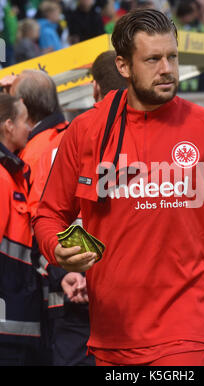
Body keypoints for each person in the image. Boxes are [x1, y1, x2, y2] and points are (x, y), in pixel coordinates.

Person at [33, 9, 204, 367]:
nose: (167, 69)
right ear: (124, 66)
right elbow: (49, 214)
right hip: (112, 335)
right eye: (153, 59)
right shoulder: (87, 131)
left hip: (190, 332)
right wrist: (56, 249)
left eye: (172, 57)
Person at [29, 50, 127, 366]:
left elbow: (48, 215)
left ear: (95, 89)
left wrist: (77, 268)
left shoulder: (68, 140)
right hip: (135, 298)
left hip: (75, 288)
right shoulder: (155, 139)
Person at [0, 93, 43, 365]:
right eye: (25, 120)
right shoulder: (3, 177)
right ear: (8, 125)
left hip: (14, 319)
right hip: (6, 324)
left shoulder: (13, 173)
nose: (30, 127)